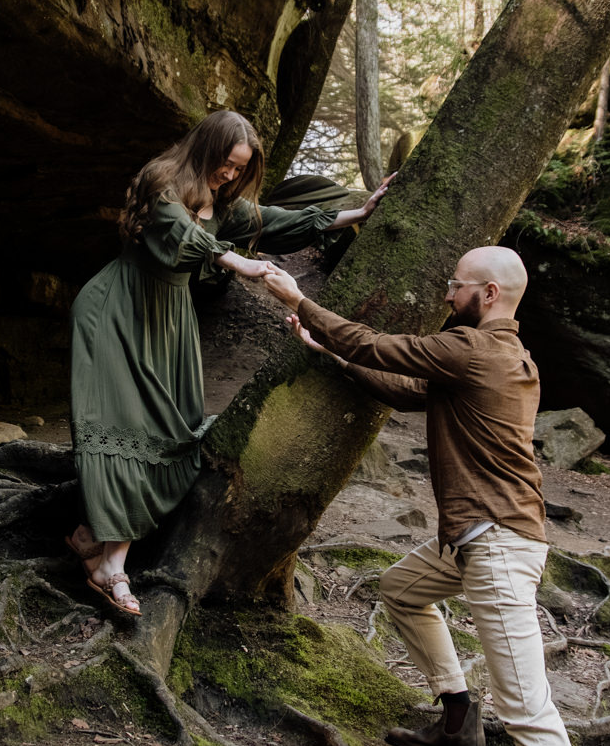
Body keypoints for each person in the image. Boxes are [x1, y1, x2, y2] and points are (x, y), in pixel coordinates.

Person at [263, 246, 599, 746]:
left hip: (497, 546)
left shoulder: (475, 349)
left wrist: (295, 299)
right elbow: (404, 386)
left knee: (529, 707)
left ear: (490, 295)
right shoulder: (496, 357)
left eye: (456, 286)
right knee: (400, 590)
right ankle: (457, 721)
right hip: (475, 538)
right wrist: (328, 354)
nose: (448, 295)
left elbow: (381, 347)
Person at [66, 110, 394, 616]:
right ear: (206, 151)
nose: (229, 175)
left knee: (174, 433)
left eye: (239, 169)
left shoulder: (224, 204)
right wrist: (232, 259)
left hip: (169, 323)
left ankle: (95, 538)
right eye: (225, 164)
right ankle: (113, 567)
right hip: (117, 311)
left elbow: (274, 223)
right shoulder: (164, 180)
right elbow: (178, 231)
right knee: (123, 422)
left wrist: (355, 215)